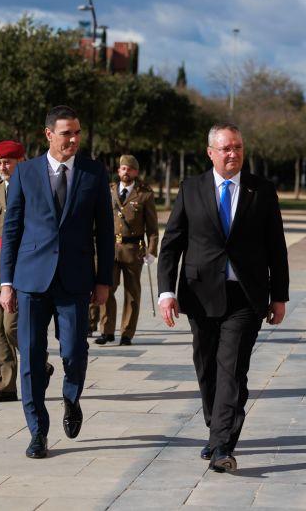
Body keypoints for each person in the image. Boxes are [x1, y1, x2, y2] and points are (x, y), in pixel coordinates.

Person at [157, 122, 289, 473]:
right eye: (226, 148)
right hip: (200, 295)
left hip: (246, 297)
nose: (233, 154)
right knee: (207, 369)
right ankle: (217, 427)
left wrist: (280, 296)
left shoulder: (261, 191)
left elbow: (277, 248)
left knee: (231, 370)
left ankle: (221, 447)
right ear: (211, 152)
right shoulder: (191, 189)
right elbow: (171, 245)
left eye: (238, 148)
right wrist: (166, 292)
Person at [0, 105, 114, 459]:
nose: (74, 139)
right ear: (48, 134)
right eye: (67, 133)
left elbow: (105, 233)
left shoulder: (94, 173)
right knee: (32, 359)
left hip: (75, 280)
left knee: (74, 352)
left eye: (78, 132)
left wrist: (104, 281)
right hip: (31, 280)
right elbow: (12, 228)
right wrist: (6, 282)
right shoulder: (26, 173)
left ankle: (71, 396)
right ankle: (38, 432)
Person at [0, 141, 53, 403]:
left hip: (25, 263)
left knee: (12, 327)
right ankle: (5, 386)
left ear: (21, 160)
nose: (3, 167)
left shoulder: (36, 187)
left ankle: (39, 363)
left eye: (8, 162)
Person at [95, 155, 159, 346]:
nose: (126, 172)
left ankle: (127, 333)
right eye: (123, 168)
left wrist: (152, 250)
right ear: (118, 171)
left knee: (132, 293)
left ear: (136, 173)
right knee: (106, 288)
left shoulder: (145, 194)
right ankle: (107, 331)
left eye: (130, 169)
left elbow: (153, 227)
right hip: (110, 249)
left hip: (133, 250)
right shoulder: (110, 191)